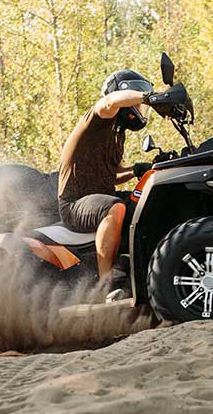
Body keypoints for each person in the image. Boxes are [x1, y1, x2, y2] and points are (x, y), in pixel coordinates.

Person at [58, 70, 154, 283]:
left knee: (146, 200)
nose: (140, 107)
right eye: (138, 100)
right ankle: (107, 283)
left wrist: (136, 170)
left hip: (101, 196)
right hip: (74, 205)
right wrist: (151, 97)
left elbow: (113, 175)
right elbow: (110, 101)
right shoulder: (96, 120)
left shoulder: (118, 135)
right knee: (115, 207)